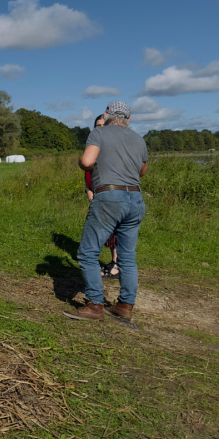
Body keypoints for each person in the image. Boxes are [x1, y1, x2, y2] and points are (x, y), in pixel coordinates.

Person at [64, 101, 148, 322]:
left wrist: (88, 165)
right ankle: (125, 306)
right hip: (136, 198)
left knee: (87, 252)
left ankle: (94, 305)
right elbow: (142, 171)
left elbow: (87, 161)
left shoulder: (99, 133)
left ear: (106, 115)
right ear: (129, 119)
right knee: (127, 257)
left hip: (109, 196)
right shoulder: (139, 139)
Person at [85, 114, 119, 278]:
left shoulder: (112, 148)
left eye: (103, 125)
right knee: (96, 231)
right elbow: (87, 172)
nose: (100, 128)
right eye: (97, 126)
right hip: (96, 195)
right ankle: (94, 264)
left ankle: (116, 264)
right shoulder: (93, 148)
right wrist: (88, 190)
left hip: (109, 196)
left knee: (114, 232)